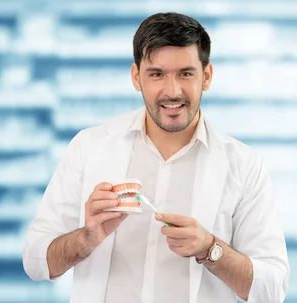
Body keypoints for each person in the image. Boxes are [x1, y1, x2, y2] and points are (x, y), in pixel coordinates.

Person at [22, 12, 289, 303]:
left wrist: (210, 249)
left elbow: (272, 289)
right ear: (137, 77)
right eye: (157, 74)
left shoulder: (243, 165)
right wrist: (85, 239)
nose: (172, 91)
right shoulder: (90, 147)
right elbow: (35, 262)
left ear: (207, 76)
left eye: (185, 73)